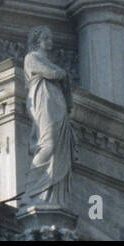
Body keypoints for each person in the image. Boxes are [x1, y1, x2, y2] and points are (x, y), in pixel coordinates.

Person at [21, 27, 74, 208]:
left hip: (57, 103)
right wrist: (61, 73)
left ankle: (50, 193)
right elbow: (54, 74)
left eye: (50, 38)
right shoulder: (32, 58)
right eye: (45, 38)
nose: (49, 42)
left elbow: (59, 75)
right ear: (36, 40)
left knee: (58, 146)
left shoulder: (45, 60)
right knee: (48, 143)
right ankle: (31, 189)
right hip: (43, 102)